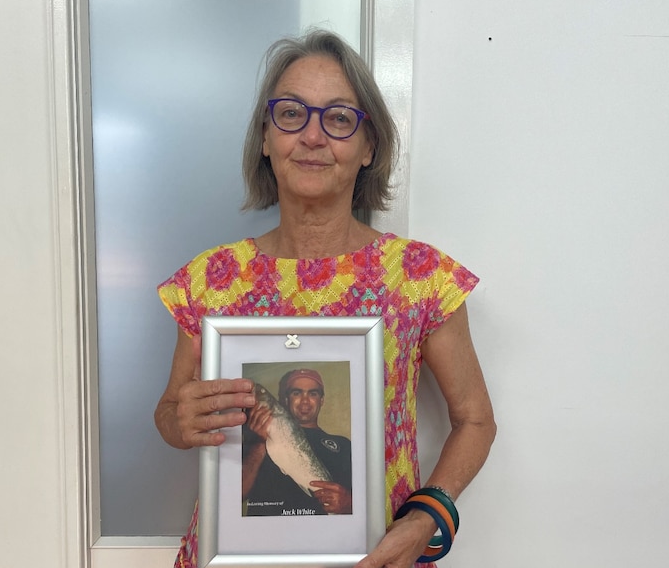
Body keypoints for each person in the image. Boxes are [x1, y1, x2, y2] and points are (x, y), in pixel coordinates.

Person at [154, 29, 496, 568]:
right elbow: (170, 412)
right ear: (266, 138)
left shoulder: (419, 277)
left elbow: (475, 419)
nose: (312, 137)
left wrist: (427, 519)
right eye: (291, 113)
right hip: (233, 555)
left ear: (369, 147)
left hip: (376, 554)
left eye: (338, 119)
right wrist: (181, 419)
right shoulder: (211, 279)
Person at [242, 368, 353, 516]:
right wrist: (259, 442)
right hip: (267, 534)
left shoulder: (343, 445)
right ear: (286, 400)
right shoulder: (252, 438)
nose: (305, 400)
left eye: (312, 393)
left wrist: (350, 504)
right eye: (297, 392)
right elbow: (237, 494)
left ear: (322, 400)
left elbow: (372, 500)